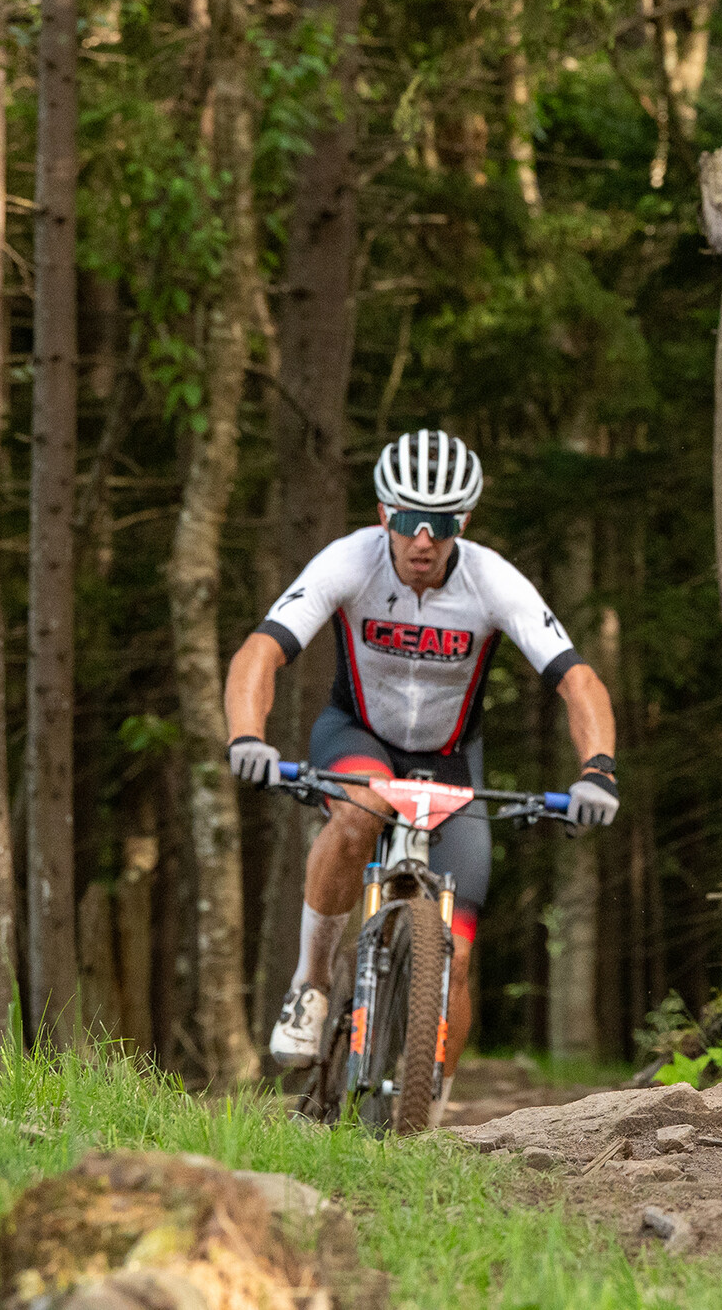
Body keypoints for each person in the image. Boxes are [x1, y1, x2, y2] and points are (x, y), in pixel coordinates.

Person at [223, 429, 621, 1080]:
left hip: (450, 760)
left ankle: (422, 1108)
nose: (423, 539)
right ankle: (311, 981)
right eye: (408, 520)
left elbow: (577, 679)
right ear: (385, 514)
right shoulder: (350, 560)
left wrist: (598, 770)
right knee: (360, 812)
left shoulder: (491, 579)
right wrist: (247, 736)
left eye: (440, 523)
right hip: (358, 735)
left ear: (462, 521)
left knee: (457, 958)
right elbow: (260, 651)